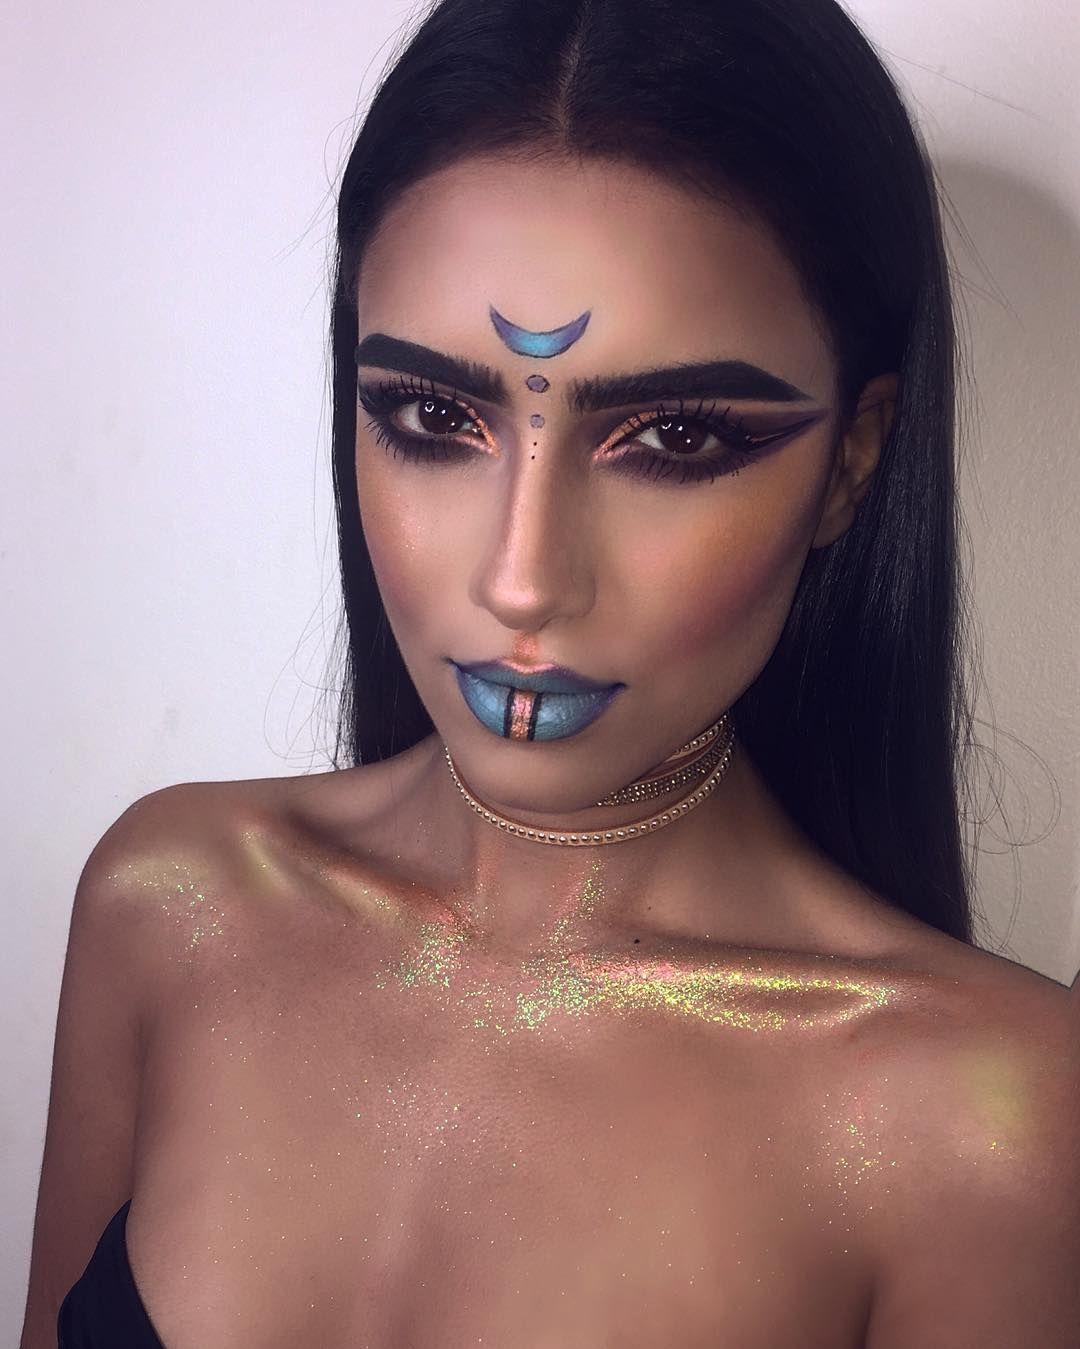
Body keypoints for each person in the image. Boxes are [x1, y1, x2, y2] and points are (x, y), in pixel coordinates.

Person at [21, 0, 1080, 1344]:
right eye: (431, 415)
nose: (522, 580)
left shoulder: (989, 1120)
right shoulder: (169, 907)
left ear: (851, 464)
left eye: (675, 437)